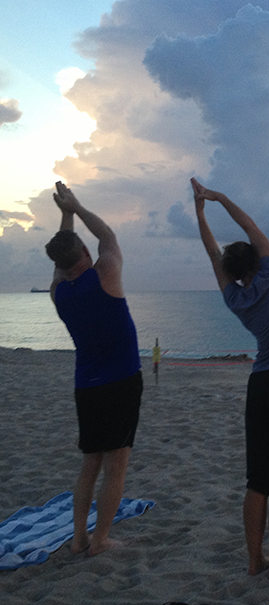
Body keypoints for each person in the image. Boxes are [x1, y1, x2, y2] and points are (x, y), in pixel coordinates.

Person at [191, 177, 269, 582]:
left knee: (257, 479)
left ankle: (254, 560)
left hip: (259, 385)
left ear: (233, 272)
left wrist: (199, 213)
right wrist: (217, 197)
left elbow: (213, 254)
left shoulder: (236, 298)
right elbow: (249, 226)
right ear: (259, 260)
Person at [46, 181, 143, 557]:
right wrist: (77, 206)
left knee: (90, 464)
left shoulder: (59, 293)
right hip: (120, 382)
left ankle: (78, 538)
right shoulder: (106, 272)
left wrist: (66, 214)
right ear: (84, 251)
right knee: (116, 464)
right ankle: (100, 540)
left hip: (86, 386)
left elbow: (64, 260)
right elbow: (108, 235)